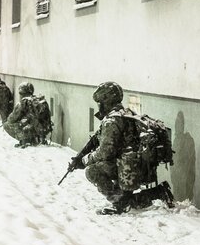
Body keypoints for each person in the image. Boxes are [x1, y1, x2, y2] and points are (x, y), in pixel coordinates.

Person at [69, 82, 173, 215]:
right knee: (124, 194)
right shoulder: (125, 113)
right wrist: (80, 155)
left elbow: (105, 152)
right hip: (135, 165)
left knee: (92, 171)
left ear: (107, 101)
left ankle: (121, 204)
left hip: (129, 168)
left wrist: (83, 161)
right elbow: (96, 139)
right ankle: (157, 192)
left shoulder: (112, 121)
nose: (99, 105)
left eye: (100, 102)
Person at [3, 82, 38, 148]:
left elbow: (12, 119)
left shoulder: (23, 102)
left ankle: (25, 140)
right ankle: (34, 138)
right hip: (40, 128)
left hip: (30, 127)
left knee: (7, 125)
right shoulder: (37, 100)